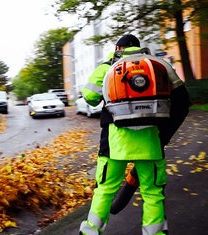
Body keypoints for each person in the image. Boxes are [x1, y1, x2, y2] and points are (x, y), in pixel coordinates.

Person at [79, 34, 190, 235]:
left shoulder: (107, 68)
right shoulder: (160, 65)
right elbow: (182, 101)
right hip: (150, 142)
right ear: (138, 47)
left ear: (118, 49)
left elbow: (90, 97)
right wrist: (164, 133)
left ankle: (90, 232)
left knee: (104, 190)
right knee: (152, 193)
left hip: (114, 144)